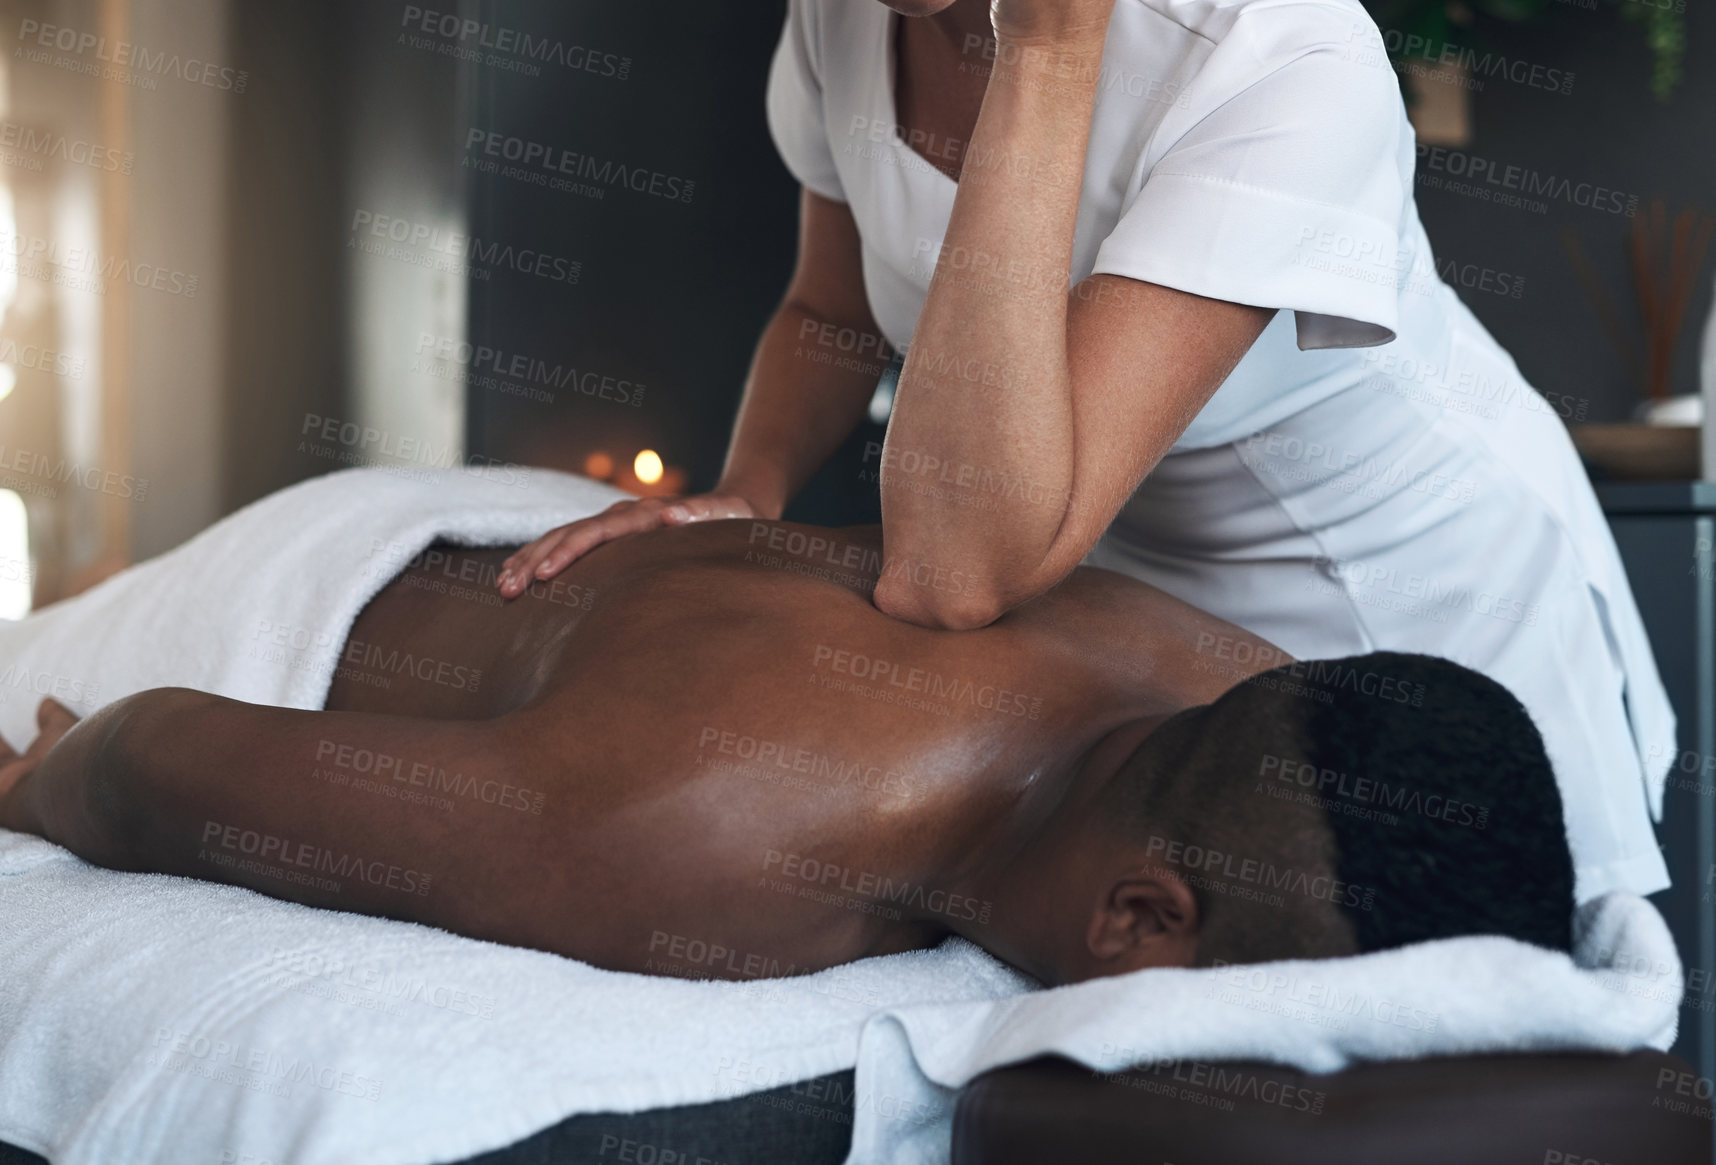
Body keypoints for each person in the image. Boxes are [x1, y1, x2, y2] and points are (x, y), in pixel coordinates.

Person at [493, 0, 1674, 906]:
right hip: (1114, 588)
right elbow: (831, 308)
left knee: (1451, 1039)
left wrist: (1047, 52)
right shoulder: (848, 17)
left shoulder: (1284, 58)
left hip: (1399, 594)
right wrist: (740, 494)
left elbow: (952, 573)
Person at [1, 506, 1574, 984]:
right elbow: (150, 760)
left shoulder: (1244, 679)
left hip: (607, 544)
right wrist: (42, 781)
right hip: (324, 573)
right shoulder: (713, 843)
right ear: (1142, 920)